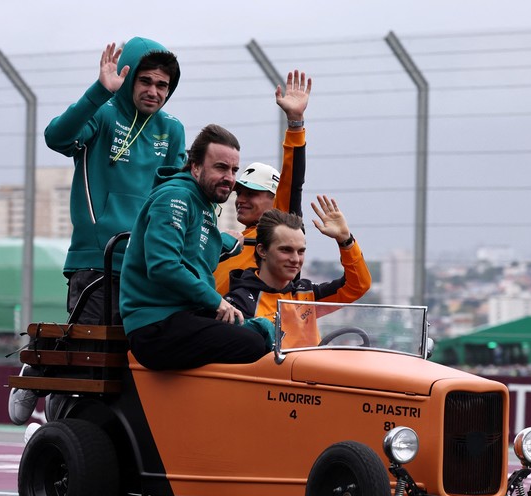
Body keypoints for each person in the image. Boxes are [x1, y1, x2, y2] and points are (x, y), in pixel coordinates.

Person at [9, 38, 184, 425]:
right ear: (127, 76)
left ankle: (66, 412)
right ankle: (40, 365)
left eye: (163, 85)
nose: (154, 91)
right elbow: (57, 137)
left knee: (122, 361)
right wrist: (99, 92)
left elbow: (173, 193)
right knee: (91, 351)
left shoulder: (172, 130)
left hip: (145, 263)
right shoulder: (103, 113)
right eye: (146, 81)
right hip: (97, 257)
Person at [120, 124, 273, 371]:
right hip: (155, 327)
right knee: (252, 344)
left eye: (234, 170)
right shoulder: (176, 198)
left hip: (179, 318)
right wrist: (217, 301)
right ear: (196, 166)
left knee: (261, 332)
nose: (230, 179)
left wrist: (226, 243)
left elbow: (194, 253)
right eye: (221, 167)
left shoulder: (202, 203)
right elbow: (163, 266)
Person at [224, 196, 371, 347]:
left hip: (313, 370)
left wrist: (345, 241)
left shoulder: (306, 293)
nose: (295, 259)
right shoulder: (239, 302)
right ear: (262, 251)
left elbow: (358, 286)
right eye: (286, 250)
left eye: (300, 251)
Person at [213, 70, 311, 295]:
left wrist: (295, 123)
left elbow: (293, 183)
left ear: (276, 198)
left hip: (253, 325)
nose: (241, 199)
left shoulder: (281, 229)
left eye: (252, 193)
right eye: (240, 193)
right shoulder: (233, 240)